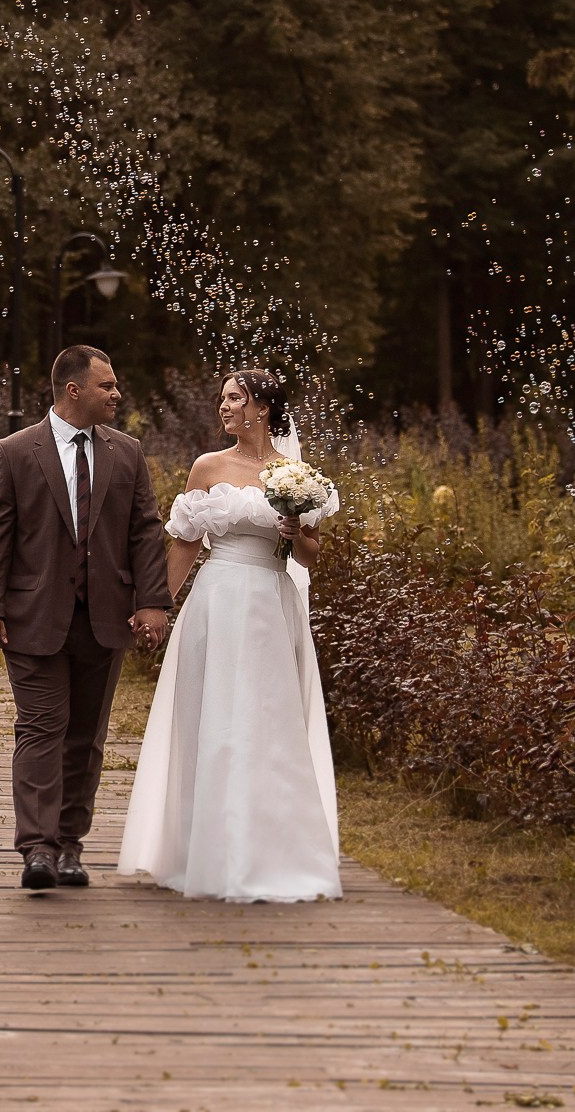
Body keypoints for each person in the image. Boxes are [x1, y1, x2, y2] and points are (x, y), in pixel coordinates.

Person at [117, 368, 343, 901]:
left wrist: (293, 533)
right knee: (213, 719)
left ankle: (271, 851)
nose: (224, 407)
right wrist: (157, 606)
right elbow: (185, 545)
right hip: (216, 602)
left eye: (235, 398)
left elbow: (312, 554)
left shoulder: (295, 475)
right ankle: (207, 850)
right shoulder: (207, 467)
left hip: (269, 601)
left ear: (262, 407)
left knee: (265, 721)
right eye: (222, 398)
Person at [0, 345, 172, 890]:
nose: (116, 394)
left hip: (105, 618)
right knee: (41, 729)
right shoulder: (14, 452)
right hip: (32, 616)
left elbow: (144, 531)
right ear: (73, 389)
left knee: (86, 736)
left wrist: (152, 601)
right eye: (107, 386)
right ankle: (36, 848)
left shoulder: (127, 453)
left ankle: (68, 847)